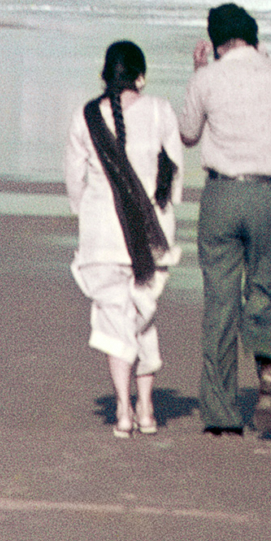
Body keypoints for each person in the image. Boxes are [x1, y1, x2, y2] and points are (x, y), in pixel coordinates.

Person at [179, 2, 271, 437]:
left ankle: (221, 413)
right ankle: (268, 365)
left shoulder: (206, 79)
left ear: (216, 43)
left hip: (221, 193)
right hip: (269, 194)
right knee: (265, 286)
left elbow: (188, 134)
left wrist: (198, 72)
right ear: (255, 38)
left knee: (220, 300)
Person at [64, 39, 183, 437]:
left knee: (115, 321)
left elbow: (74, 181)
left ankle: (123, 410)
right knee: (143, 318)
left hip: (102, 236)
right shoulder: (161, 110)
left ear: (105, 75)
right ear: (141, 77)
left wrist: (89, 212)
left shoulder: (85, 117)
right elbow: (174, 175)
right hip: (152, 237)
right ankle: (146, 409)